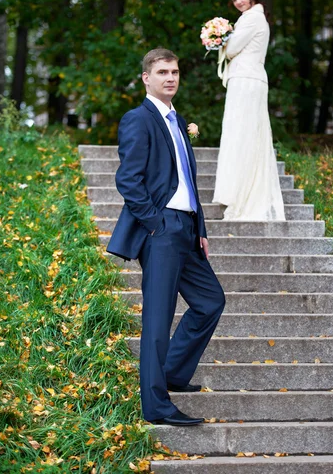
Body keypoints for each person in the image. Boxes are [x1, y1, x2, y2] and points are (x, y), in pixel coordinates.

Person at [107, 48, 225, 426]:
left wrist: (200, 229)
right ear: (146, 78)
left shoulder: (178, 120)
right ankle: (157, 406)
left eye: (174, 71)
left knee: (210, 302)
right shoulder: (137, 119)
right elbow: (128, 179)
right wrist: (155, 223)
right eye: (162, 72)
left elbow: (187, 181)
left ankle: (173, 373)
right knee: (158, 322)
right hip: (161, 231)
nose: (170, 77)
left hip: (187, 229)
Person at [212, 0, 286, 221]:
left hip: (246, 80)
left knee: (241, 134)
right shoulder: (254, 17)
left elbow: (232, 49)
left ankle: (242, 197)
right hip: (249, 79)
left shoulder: (252, 17)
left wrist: (221, 37)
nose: (238, 2)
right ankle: (239, 191)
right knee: (244, 134)